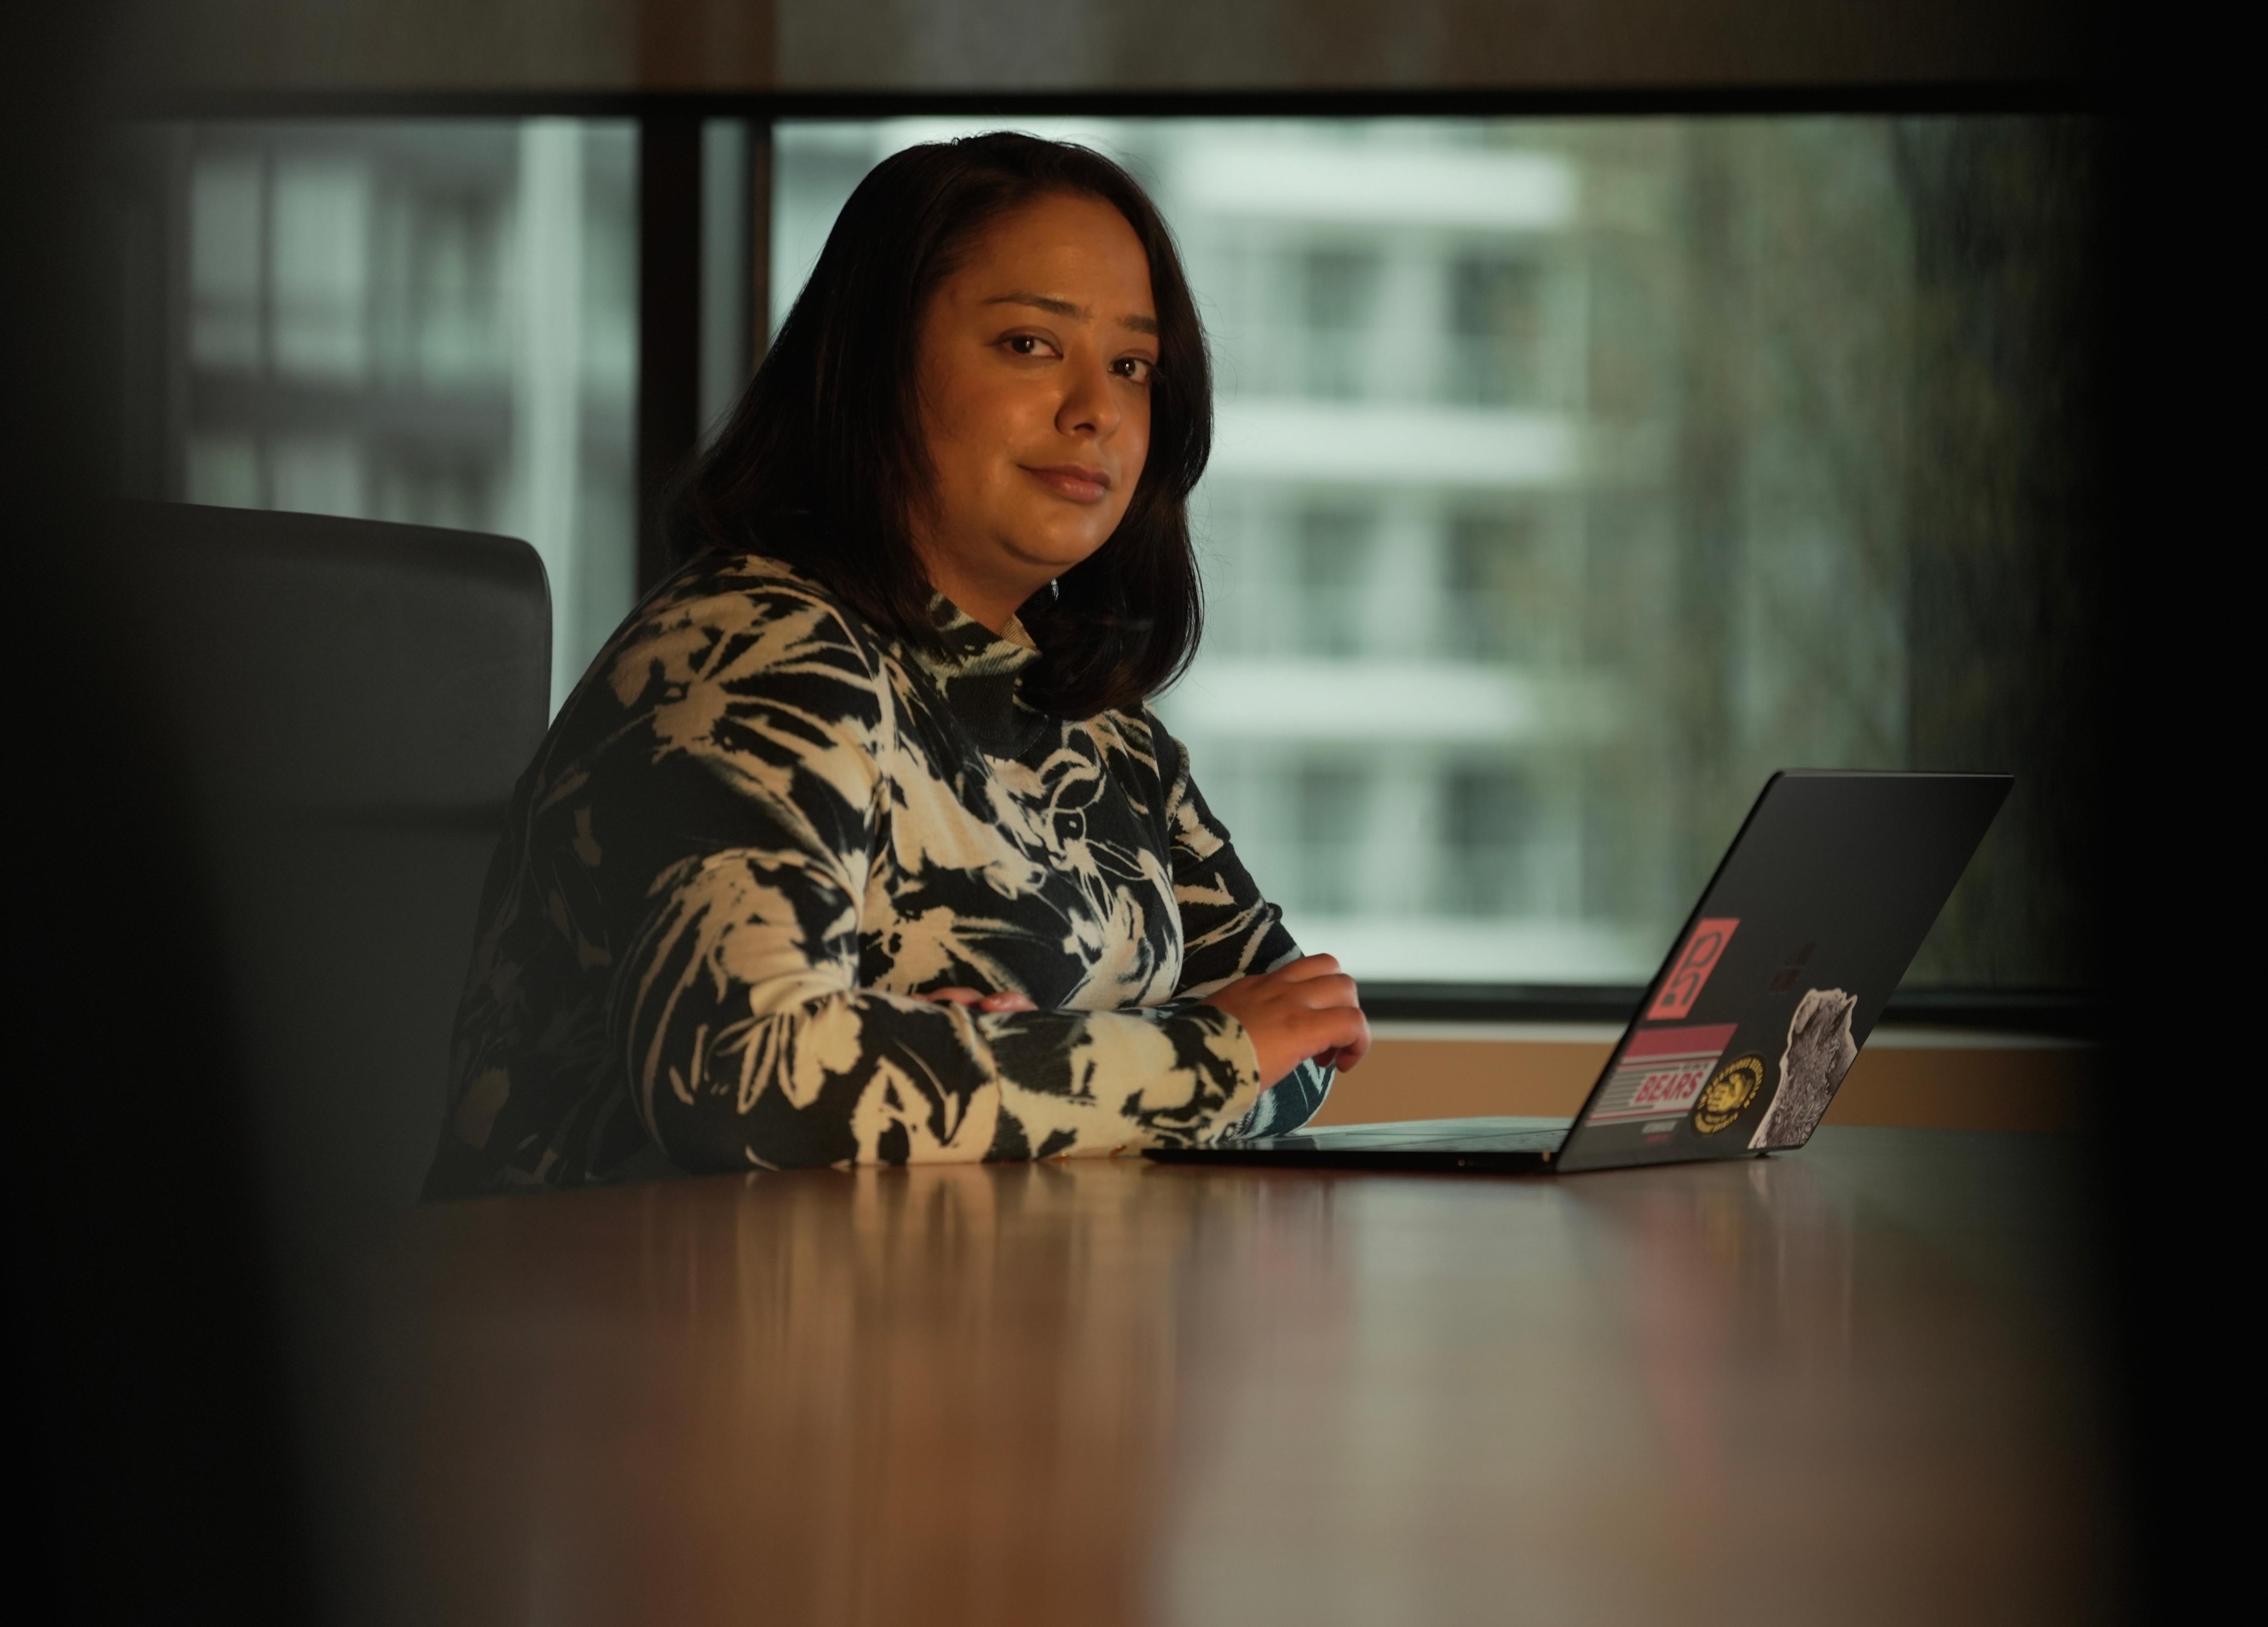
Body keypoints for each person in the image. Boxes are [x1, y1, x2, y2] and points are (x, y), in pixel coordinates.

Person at [425, 132, 1369, 1196]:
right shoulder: (750, 648)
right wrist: (1190, 1056)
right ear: (875, 364)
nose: (1095, 410)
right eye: (1027, 344)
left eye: (1133, 366)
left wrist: (987, 1068)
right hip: (631, 1338)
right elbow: (744, 1080)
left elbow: (1308, 1035)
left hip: (951, 1321)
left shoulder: (1089, 716)